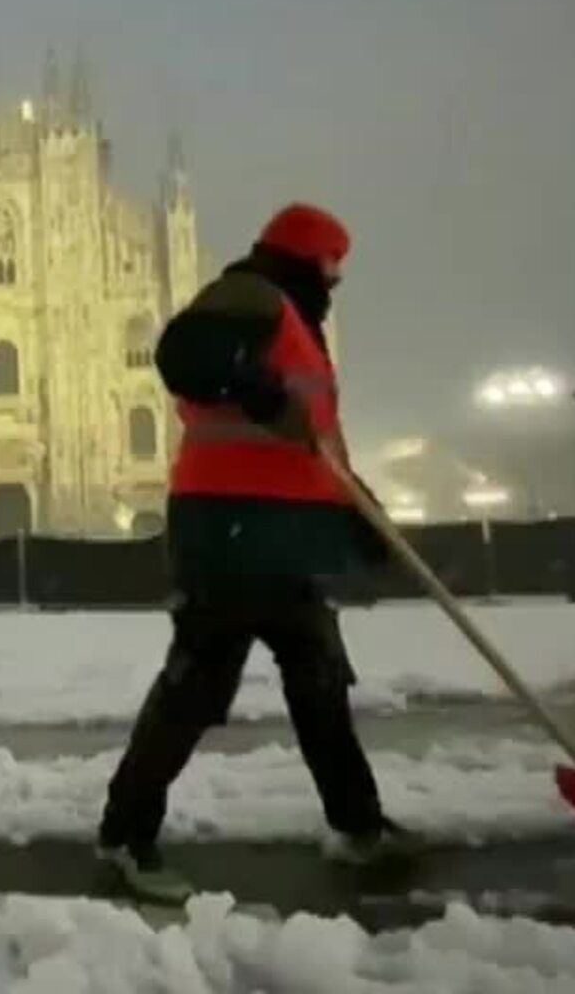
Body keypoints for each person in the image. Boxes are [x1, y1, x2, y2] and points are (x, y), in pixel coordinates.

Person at [96, 202, 412, 904]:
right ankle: (125, 834)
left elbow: (314, 444)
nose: (336, 279)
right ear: (302, 257)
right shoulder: (249, 295)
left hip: (280, 531)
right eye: (330, 264)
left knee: (319, 678)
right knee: (198, 685)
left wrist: (360, 512)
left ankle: (358, 824)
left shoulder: (296, 323)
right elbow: (183, 355)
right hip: (227, 528)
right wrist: (259, 390)